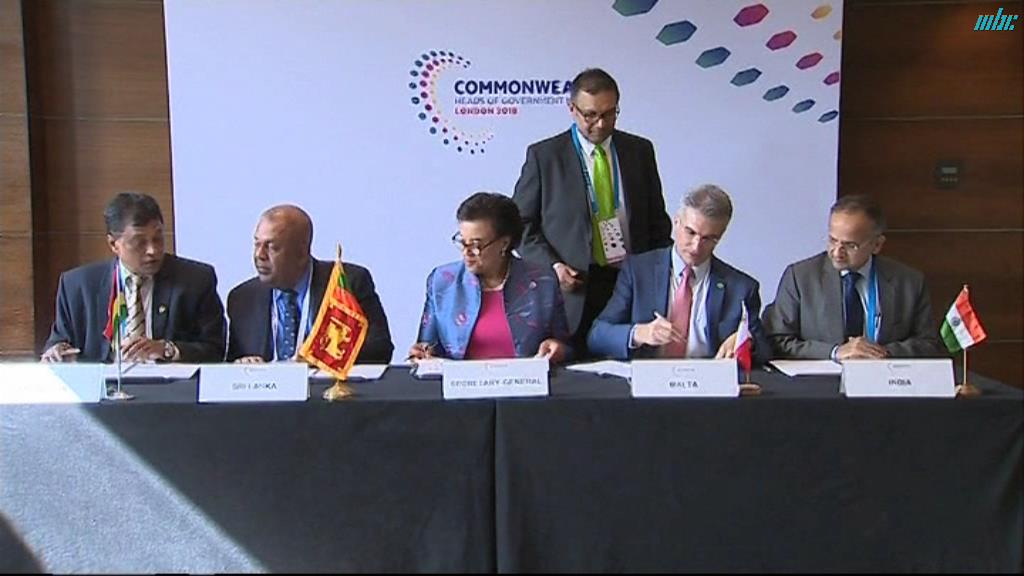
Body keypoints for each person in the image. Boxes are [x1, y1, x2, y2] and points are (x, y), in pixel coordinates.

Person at [512, 67, 672, 357]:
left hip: (630, 283)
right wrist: (553, 266)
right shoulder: (545, 156)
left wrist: (659, 276)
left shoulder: (639, 151)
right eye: (590, 115)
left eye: (610, 114)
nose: (600, 124)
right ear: (572, 109)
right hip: (573, 287)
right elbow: (519, 224)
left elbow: (657, 221)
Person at [588, 185, 770, 363]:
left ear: (720, 236)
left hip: (708, 379)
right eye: (690, 232)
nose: (696, 246)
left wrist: (746, 341)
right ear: (676, 222)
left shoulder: (741, 288)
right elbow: (597, 336)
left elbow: (764, 351)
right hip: (648, 377)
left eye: (708, 238)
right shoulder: (638, 271)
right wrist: (639, 333)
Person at [42, 192, 226, 363]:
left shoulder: (195, 280)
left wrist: (167, 349)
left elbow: (216, 350)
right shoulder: (78, 285)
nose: (152, 250)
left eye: (158, 238)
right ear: (113, 244)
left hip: (170, 385)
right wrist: (56, 352)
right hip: (103, 385)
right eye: (139, 242)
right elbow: (59, 342)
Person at [764, 195, 945, 360]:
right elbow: (778, 341)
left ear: (877, 244)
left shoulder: (909, 282)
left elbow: (928, 344)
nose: (837, 252)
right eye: (832, 240)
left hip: (884, 379)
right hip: (822, 382)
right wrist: (835, 351)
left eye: (850, 245)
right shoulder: (800, 278)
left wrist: (882, 352)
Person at [409, 192, 571, 362]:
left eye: (476, 245)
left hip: (527, 378)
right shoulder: (442, 281)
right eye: (462, 242)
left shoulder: (543, 281)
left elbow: (567, 348)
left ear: (504, 243)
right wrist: (421, 353)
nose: (466, 252)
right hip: (461, 379)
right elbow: (427, 346)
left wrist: (558, 349)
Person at [226, 205, 394, 363]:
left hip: (325, 383)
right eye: (257, 244)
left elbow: (379, 349)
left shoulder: (346, 282)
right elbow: (229, 362)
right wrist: (241, 365)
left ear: (301, 253)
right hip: (267, 385)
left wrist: (321, 357)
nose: (259, 255)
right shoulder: (242, 298)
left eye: (272, 247)